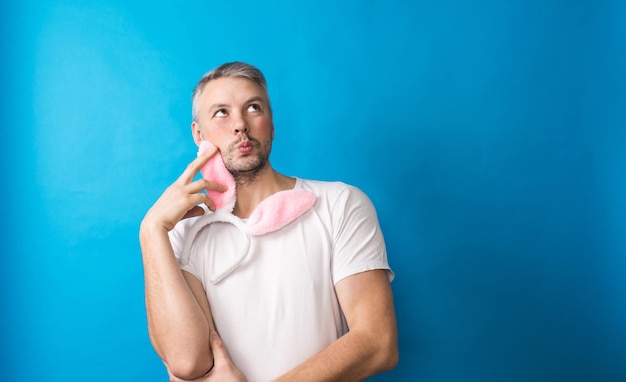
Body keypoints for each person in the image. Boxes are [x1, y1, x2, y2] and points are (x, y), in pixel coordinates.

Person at [139, 62, 398, 381]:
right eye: (221, 112)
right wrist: (151, 231)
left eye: (253, 107)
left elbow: (377, 343)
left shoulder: (340, 204)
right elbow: (188, 360)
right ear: (198, 134)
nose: (240, 125)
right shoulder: (185, 232)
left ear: (271, 124)